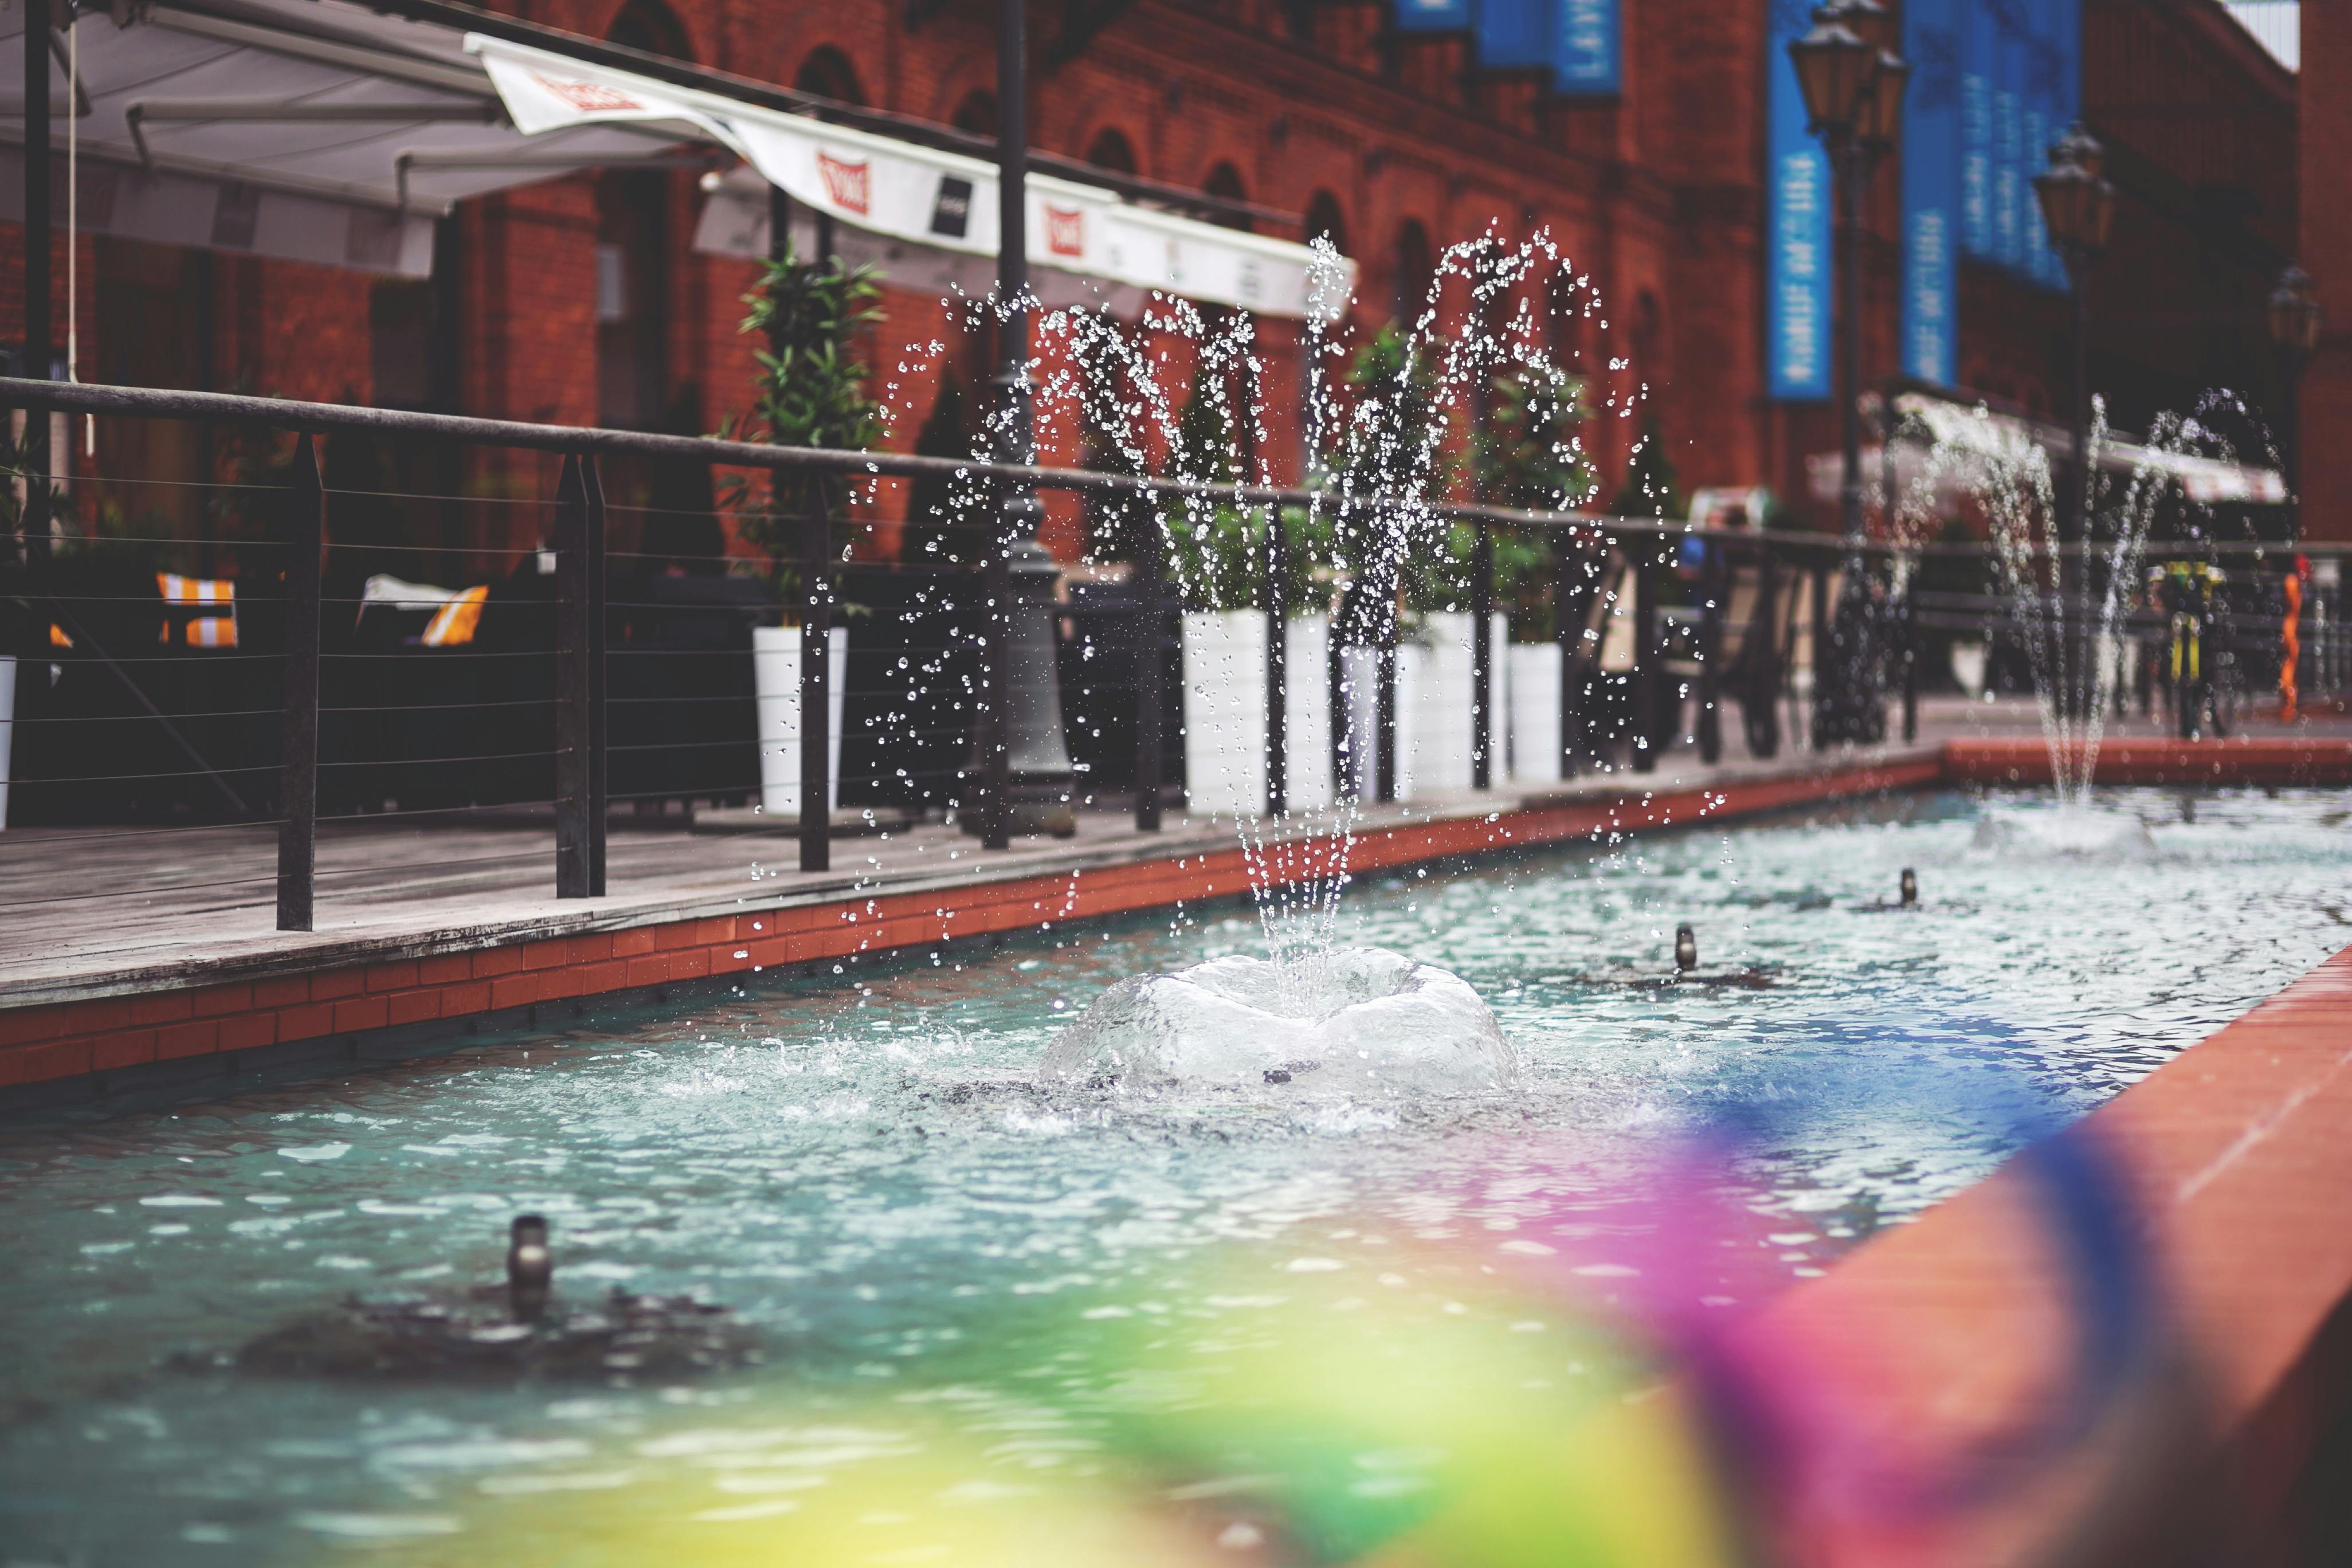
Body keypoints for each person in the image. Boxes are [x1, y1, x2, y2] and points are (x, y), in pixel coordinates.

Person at [2279, 555, 2308, 723]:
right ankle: (2288, 707)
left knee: (2290, 665)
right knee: (2289, 666)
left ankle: (2289, 706)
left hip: (2292, 627)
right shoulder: (2291, 581)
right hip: (2290, 628)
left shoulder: (2292, 581)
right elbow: (2294, 605)